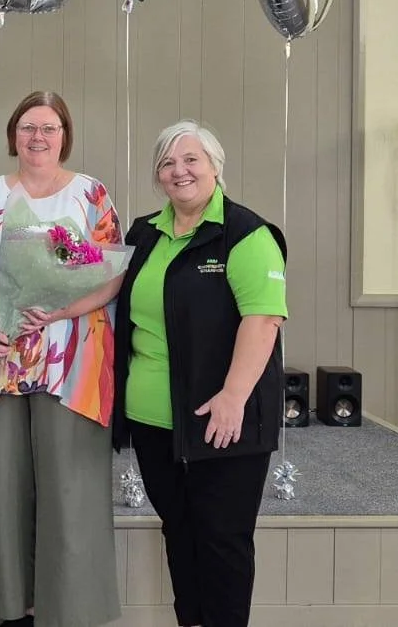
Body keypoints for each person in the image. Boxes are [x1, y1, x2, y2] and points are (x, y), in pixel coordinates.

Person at [0, 91, 124, 627]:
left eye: (49, 128)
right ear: (13, 135)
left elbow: (113, 272)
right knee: (7, 490)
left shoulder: (90, 194)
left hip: (72, 360)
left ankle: (70, 610)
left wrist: (62, 309)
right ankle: (16, 609)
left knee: (70, 491)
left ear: (64, 135)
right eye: (28, 127)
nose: (38, 137)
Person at [112, 120, 288, 627]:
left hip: (223, 418)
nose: (179, 171)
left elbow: (263, 319)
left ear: (215, 167)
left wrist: (234, 396)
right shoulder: (144, 233)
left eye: (191, 160)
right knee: (180, 529)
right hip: (152, 421)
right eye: (167, 163)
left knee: (223, 540)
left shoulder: (247, 233)